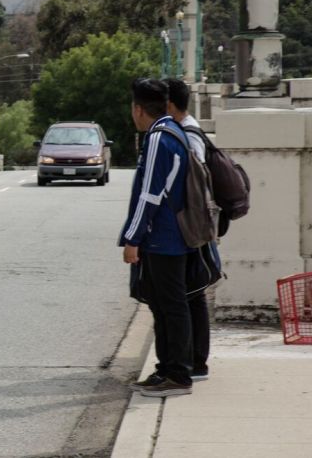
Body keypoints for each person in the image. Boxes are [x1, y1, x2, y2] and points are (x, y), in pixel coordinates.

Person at [120, 78, 194, 397]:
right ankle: (167, 369)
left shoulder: (157, 139)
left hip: (162, 238)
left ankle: (177, 373)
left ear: (138, 109)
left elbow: (149, 195)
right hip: (174, 236)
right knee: (166, 305)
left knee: (170, 306)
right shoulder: (175, 133)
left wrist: (132, 238)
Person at [165, 78, 212, 381]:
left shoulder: (188, 135)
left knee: (191, 294)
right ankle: (194, 360)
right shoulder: (190, 130)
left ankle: (196, 362)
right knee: (193, 293)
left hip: (190, 226)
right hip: (193, 225)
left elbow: (192, 184)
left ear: (169, 104)